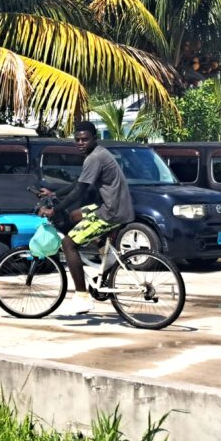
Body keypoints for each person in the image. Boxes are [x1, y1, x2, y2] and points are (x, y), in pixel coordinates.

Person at [39, 121, 134, 314]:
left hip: (110, 211)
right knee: (75, 215)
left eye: (85, 139)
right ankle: (105, 256)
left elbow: (79, 192)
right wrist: (54, 194)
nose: (80, 143)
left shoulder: (94, 158)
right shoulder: (97, 154)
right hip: (112, 206)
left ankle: (82, 297)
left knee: (68, 244)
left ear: (94, 139)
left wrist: (54, 210)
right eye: (77, 140)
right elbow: (78, 183)